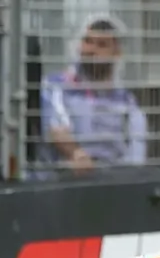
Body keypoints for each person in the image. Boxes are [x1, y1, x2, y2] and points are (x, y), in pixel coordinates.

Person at [38, 15, 147, 174]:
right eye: (87, 41)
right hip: (67, 178)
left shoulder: (126, 100)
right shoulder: (57, 85)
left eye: (102, 45)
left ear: (116, 53)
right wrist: (77, 155)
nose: (91, 50)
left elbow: (137, 151)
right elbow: (56, 130)